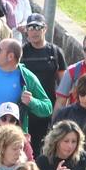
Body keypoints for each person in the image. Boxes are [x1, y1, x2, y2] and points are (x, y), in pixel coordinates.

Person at [17, 15, 66, 154]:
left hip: (47, 110)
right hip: (26, 111)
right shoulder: (21, 52)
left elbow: (64, 85)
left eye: (38, 27)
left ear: (45, 29)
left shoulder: (55, 52)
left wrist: (59, 112)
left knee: (46, 151)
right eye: (30, 27)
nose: (34, 31)